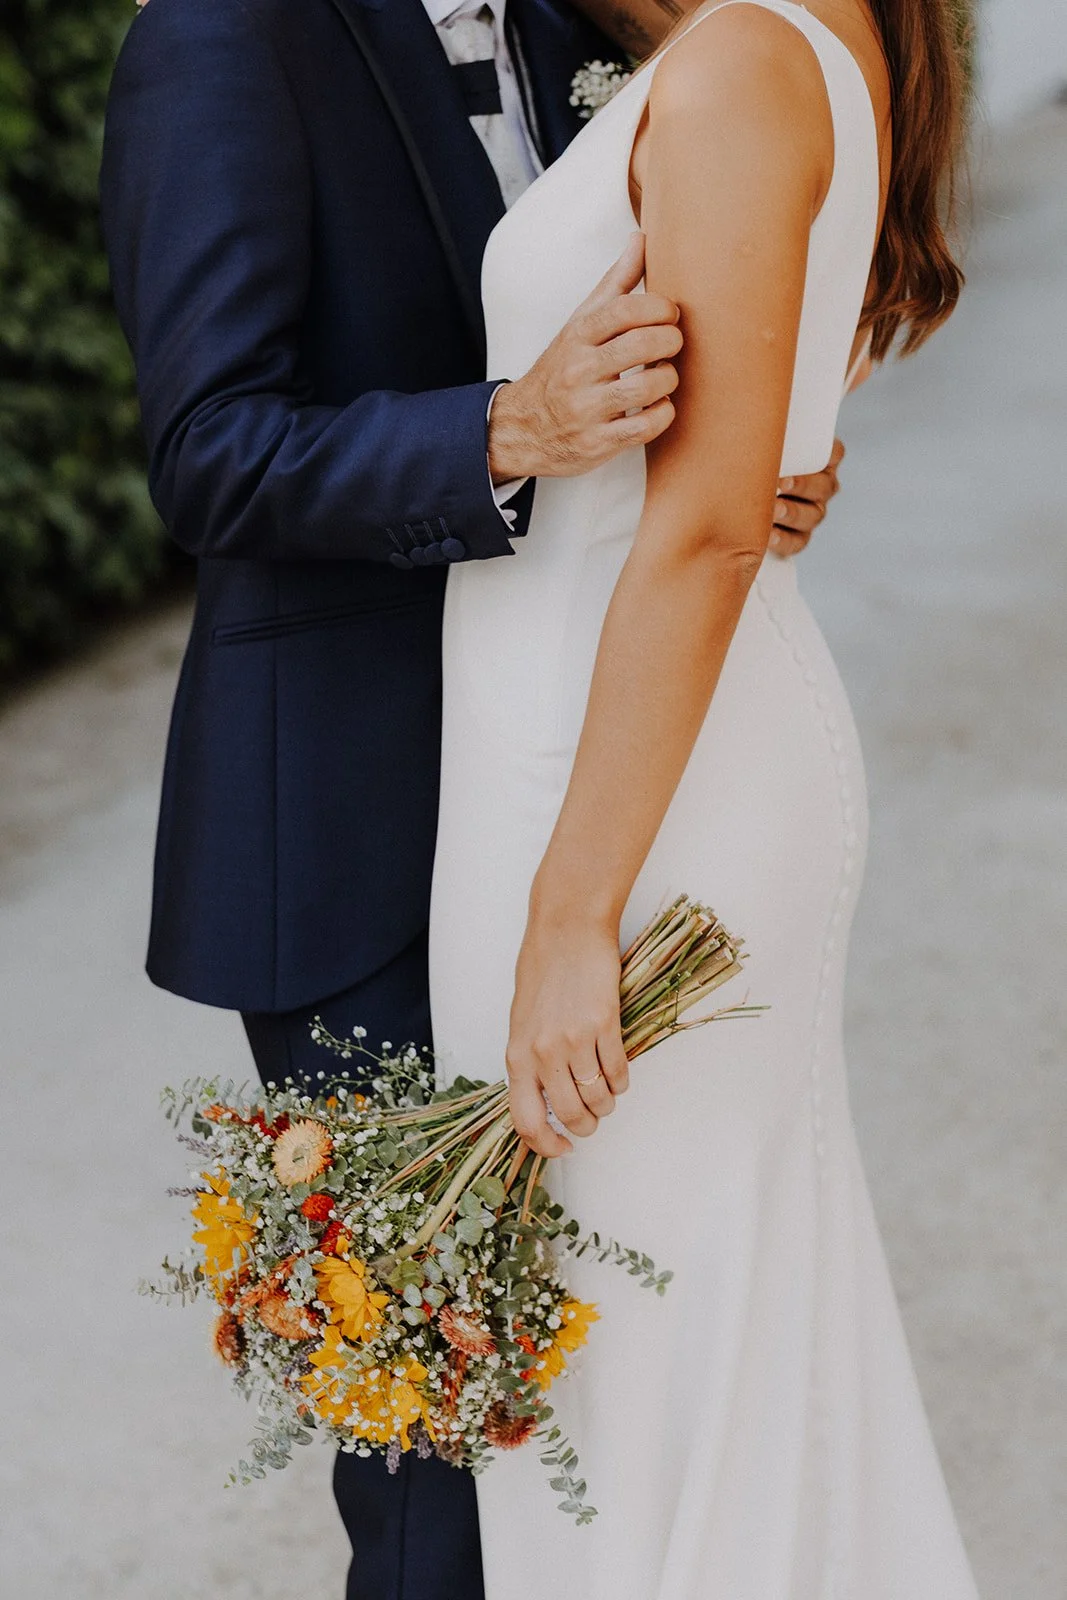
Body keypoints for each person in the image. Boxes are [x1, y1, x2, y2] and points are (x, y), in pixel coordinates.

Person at [98, 0, 843, 1595]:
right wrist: (506, 431)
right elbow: (208, 450)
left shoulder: (600, 22)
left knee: (620, 1381)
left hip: (597, 798)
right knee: (439, 1440)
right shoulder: (222, 38)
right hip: (355, 827)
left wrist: (746, 463)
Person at [428, 0, 983, 1595]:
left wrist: (568, 912)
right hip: (623, 750)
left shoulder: (747, 54)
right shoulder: (805, 39)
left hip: (619, 794)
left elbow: (701, 533)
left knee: (656, 1375)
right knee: (701, 1350)